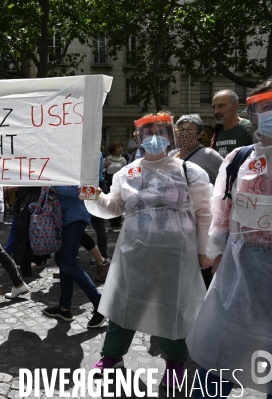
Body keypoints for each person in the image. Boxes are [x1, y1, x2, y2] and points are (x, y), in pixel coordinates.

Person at [86, 112, 214, 387]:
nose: (154, 137)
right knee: (124, 303)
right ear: (138, 138)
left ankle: (175, 361)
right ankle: (112, 356)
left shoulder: (190, 172)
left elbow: (205, 213)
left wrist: (205, 251)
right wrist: (94, 196)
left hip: (176, 253)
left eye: (160, 131)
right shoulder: (127, 172)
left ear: (170, 135)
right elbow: (113, 208)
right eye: (147, 132)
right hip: (134, 252)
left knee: (174, 306)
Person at [187, 77, 272, 399]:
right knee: (212, 374)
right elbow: (221, 218)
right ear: (253, 115)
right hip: (236, 288)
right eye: (265, 108)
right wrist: (215, 258)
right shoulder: (238, 160)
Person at [169, 114, 223, 288]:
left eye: (190, 130)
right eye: (181, 130)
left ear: (200, 134)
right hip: (175, 225)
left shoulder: (209, 155)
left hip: (200, 221)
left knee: (202, 276)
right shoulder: (171, 154)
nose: (184, 134)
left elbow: (226, 181)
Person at [42, 186, 106, 327]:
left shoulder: (74, 166)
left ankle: (101, 304)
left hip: (74, 217)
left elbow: (80, 191)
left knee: (68, 264)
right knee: (62, 261)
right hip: (65, 217)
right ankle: (64, 308)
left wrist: (53, 185)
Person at [211, 89, 253, 157]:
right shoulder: (217, 131)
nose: (216, 111)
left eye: (221, 106)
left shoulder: (249, 128)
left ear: (235, 106)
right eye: (213, 107)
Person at [104, 141, 127, 232]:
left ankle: (117, 223)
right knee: (111, 201)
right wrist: (105, 166)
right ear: (113, 149)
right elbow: (102, 171)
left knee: (119, 201)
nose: (121, 149)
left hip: (119, 182)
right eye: (118, 147)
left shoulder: (123, 160)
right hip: (109, 181)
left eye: (121, 147)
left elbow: (125, 172)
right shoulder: (107, 159)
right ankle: (112, 222)